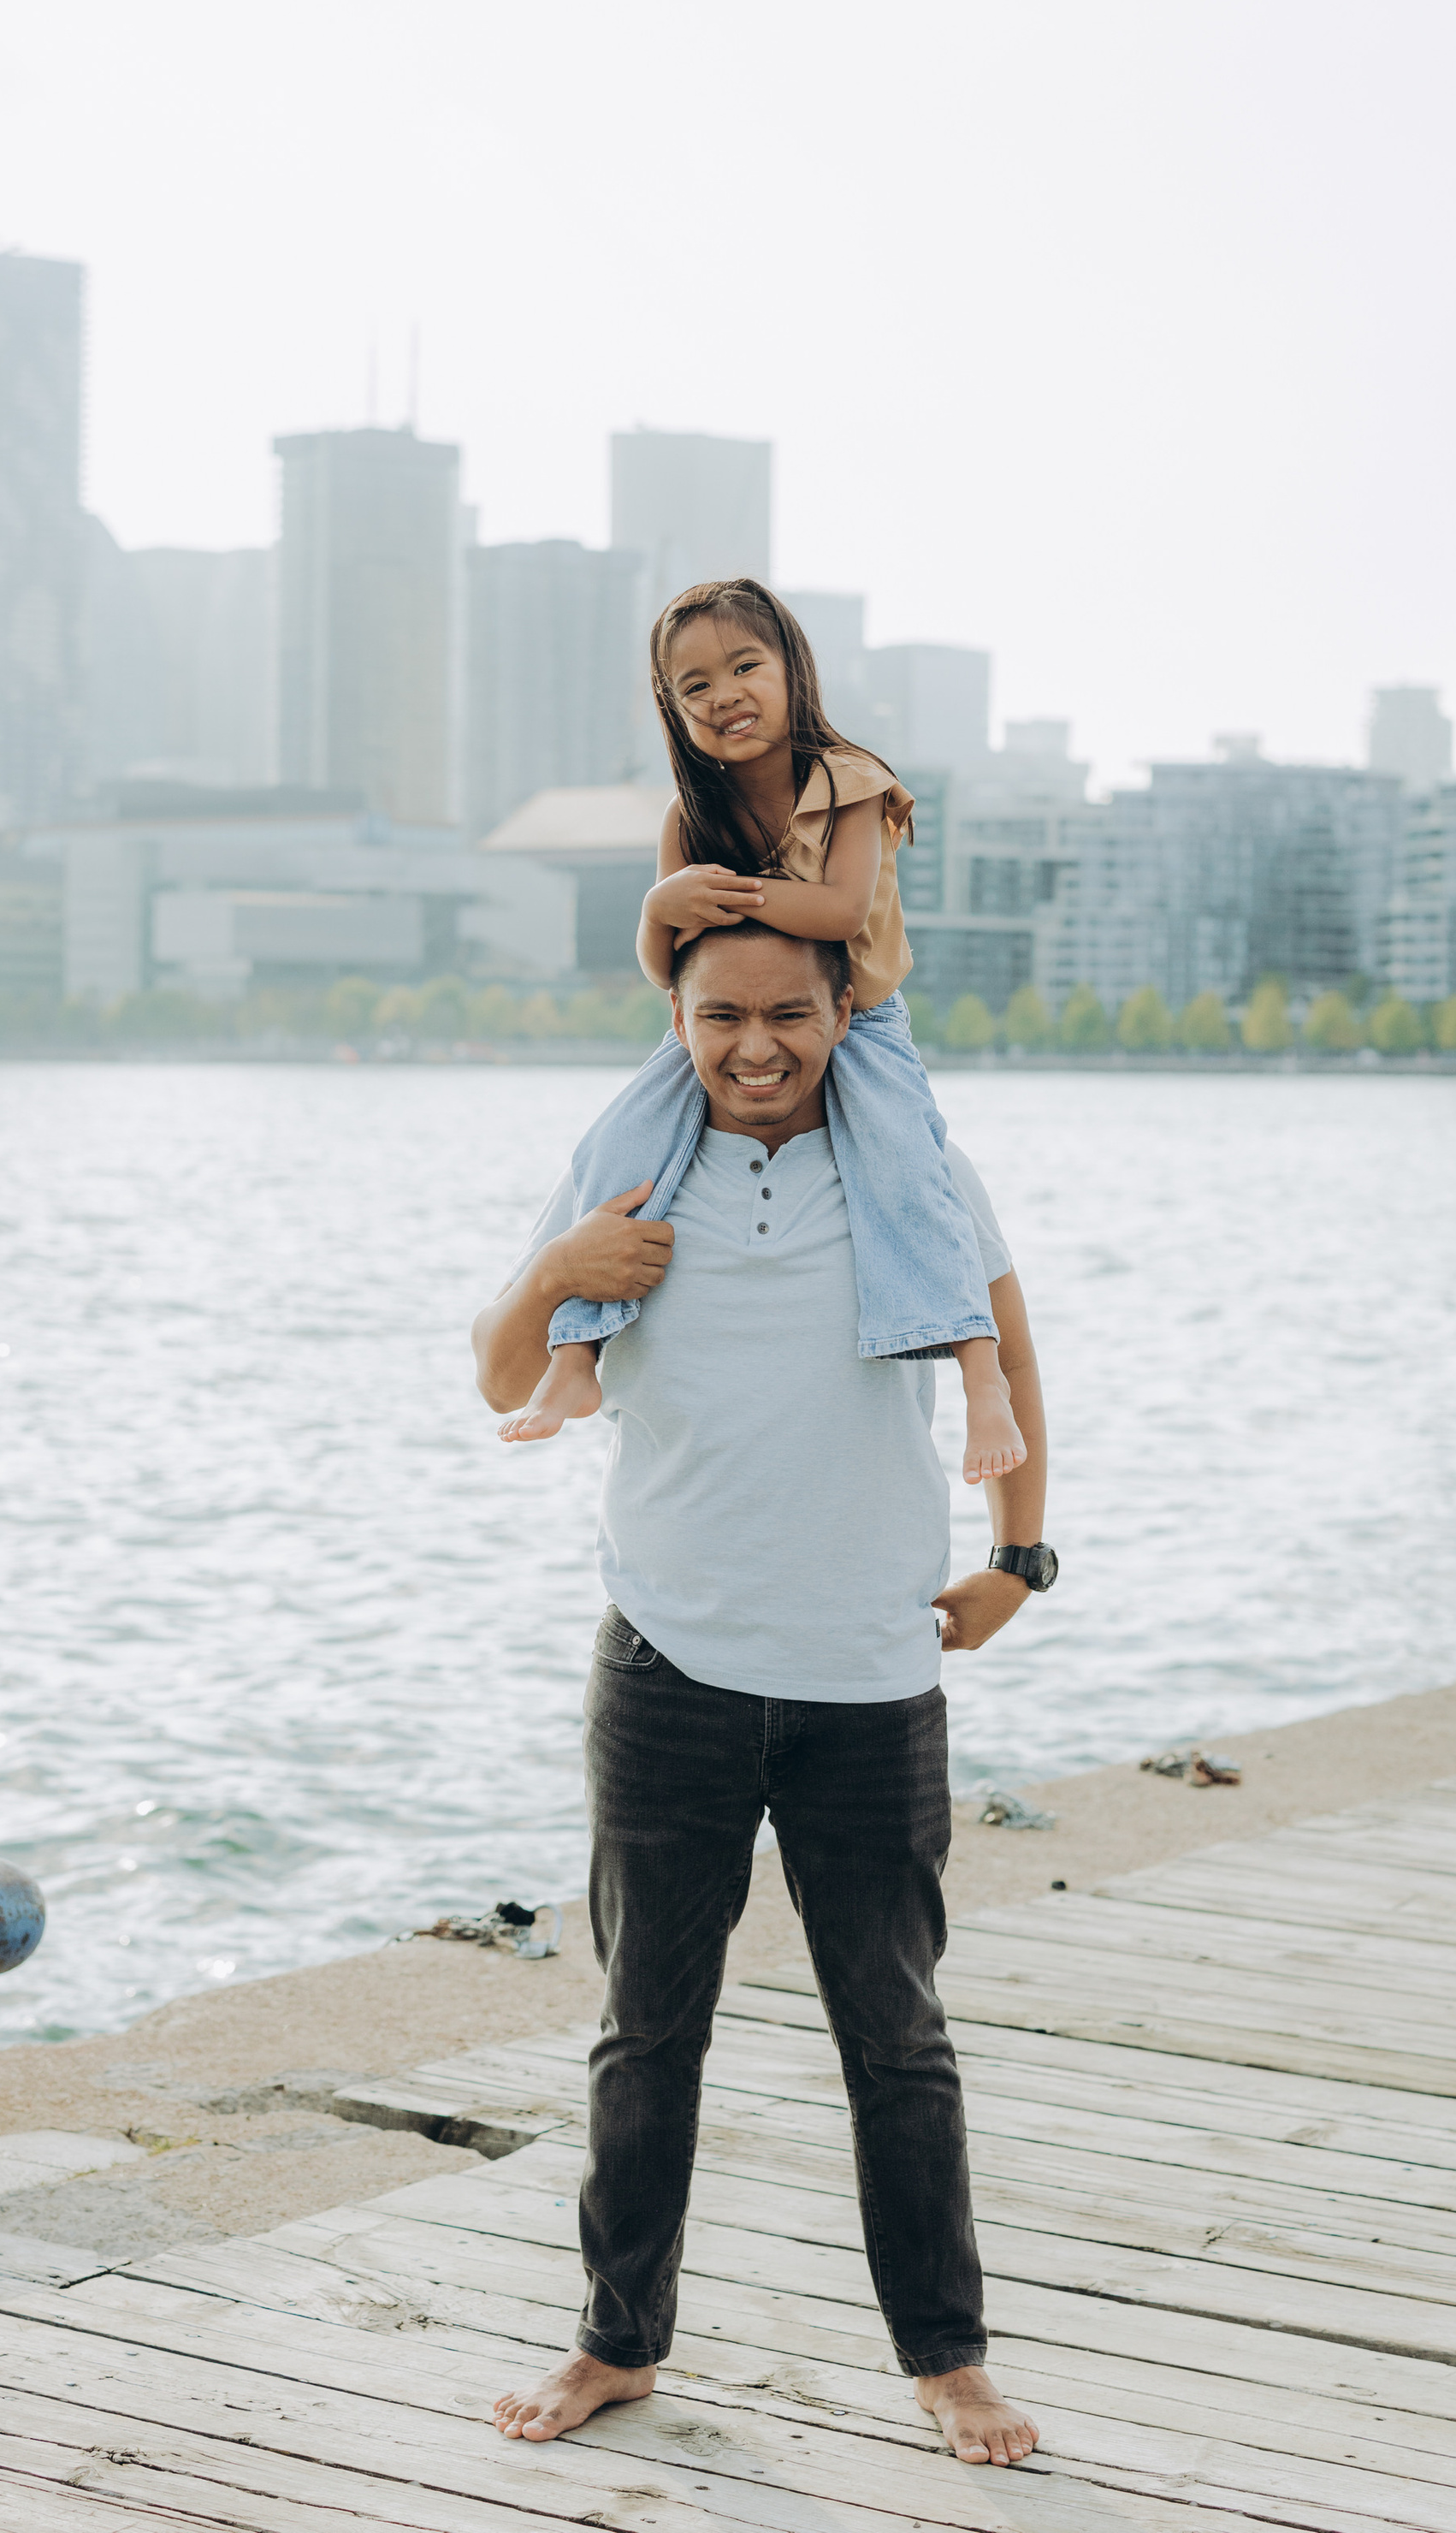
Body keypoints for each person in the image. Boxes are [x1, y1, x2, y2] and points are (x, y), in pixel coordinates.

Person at [471, 914, 1054, 2461]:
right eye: (720, 1015)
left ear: (840, 1008)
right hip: (671, 1666)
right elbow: (494, 1372)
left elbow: (1009, 1346)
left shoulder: (907, 1157)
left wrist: (1022, 1555)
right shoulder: (630, 1164)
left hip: (870, 1679)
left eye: (788, 1013)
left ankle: (949, 2357)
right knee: (645, 2030)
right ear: (676, 1017)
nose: (755, 1046)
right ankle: (617, 2343)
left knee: (898, 2039)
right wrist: (555, 1275)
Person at [500, 578, 1024, 1487]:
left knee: (908, 1172)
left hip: (855, 1021)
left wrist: (729, 900)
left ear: (792, 671)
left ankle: (981, 1379)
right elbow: (672, 969)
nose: (724, 694)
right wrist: (659, 906)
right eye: (694, 685)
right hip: (721, 1017)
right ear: (673, 708)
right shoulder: (687, 817)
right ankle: (575, 1357)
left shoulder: (848, 784)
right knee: (619, 1148)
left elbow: (837, 910)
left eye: (745, 666)